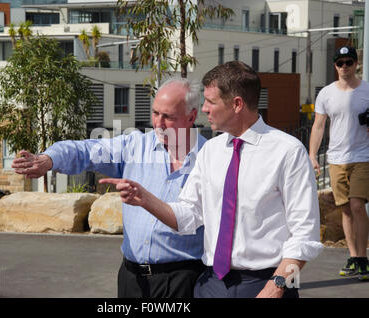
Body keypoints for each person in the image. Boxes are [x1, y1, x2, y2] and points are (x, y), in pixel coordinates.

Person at [101, 61, 324, 298]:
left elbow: (304, 235)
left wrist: (276, 287)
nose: (204, 109)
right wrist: (144, 198)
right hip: (211, 285)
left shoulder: (289, 152)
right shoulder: (210, 151)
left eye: (211, 102)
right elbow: (188, 216)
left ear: (237, 104)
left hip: (266, 284)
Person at [12, 77, 207, 298]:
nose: (158, 124)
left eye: (168, 117)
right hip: (131, 279)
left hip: (182, 281)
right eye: (155, 113)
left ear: (191, 116)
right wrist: (49, 159)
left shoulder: (209, 159)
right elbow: (85, 150)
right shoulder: (136, 146)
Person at [309, 46, 369, 281]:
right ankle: (354, 257)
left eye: (349, 62)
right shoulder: (326, 93)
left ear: (356, 64)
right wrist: (313, 155)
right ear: (335, 66)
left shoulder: (366, 90)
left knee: (356, 205)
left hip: (363, 157)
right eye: (340, 63)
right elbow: (318, 126)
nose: (344, 66)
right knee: (345, 209)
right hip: (336, 159)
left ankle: (363, 258)